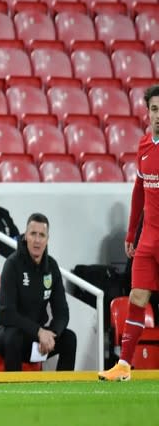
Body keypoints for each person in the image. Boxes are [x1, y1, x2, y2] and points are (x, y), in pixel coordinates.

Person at [99, 85, 159, 381]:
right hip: (148, 237)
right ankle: (124, 366)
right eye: (155, 109)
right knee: (136, 296)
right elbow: (138, 191)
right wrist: (130, 234)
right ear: (147, 112)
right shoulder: (144, 146)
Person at [0, 213, 77, 371]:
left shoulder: (52, 267)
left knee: (69, 338)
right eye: (33, 234)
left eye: (42, 235)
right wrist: (39, 331)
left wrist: (51, 334)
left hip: (33, 337)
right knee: (13, 336)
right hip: (4, 334)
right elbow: (7, 313)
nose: (37, 240)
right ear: (25, 236)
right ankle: (14, 392)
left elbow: (62, 312)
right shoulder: (12, 264)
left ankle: (63, 392)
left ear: (47, 239)